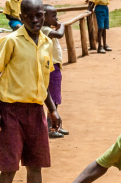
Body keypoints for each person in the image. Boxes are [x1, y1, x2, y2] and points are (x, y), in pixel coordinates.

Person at [0, 0, 61, 183]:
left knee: (35, 165)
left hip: (36, 112)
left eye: (39, 15)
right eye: (30, 16)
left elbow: (44, 82)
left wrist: (52, 110)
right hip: (11, 111)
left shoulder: (47, 43)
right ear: (21, 17)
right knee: (8, 166)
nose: (36, 20)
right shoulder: (11, 42)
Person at [42, 4, 68, 139]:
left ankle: (56, 125)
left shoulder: (46, 28)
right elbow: (60, 34)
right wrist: (61, 24)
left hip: (54, 66)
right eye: (53, 16)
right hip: (51, 68)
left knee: (55, 98)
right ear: (44, 16)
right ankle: (51, 127)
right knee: (53, 98)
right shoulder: (45, 29)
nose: (56, 18)